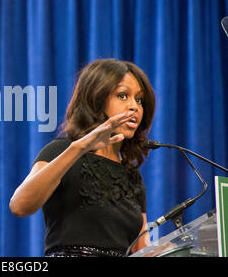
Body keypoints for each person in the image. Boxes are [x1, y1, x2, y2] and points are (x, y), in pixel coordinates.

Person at [9, 58, 156, 257]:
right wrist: (79, 148)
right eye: (123, 96)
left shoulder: (132, 175)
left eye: (139, 100)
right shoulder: (61, 150)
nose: (134, 106)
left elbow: (141, 248)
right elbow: (20, 206)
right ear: (96, 99)